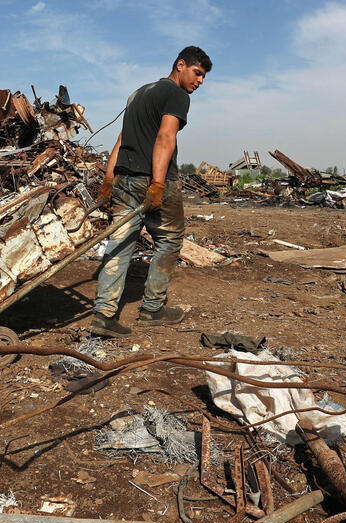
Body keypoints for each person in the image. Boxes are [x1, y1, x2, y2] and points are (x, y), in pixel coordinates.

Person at [90, 46, 211, 338]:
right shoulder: (177, 95)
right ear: (180, 65)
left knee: (119, 244)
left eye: (204, 77)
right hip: (154, 179)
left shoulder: (138, 93)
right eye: (197, 73)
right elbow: (165, 137)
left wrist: (109, 178)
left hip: (124, 178)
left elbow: (122, 139)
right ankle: (152, 309)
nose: (200, 82)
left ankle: (103, 315)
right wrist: (158, 184)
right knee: (169, 242)